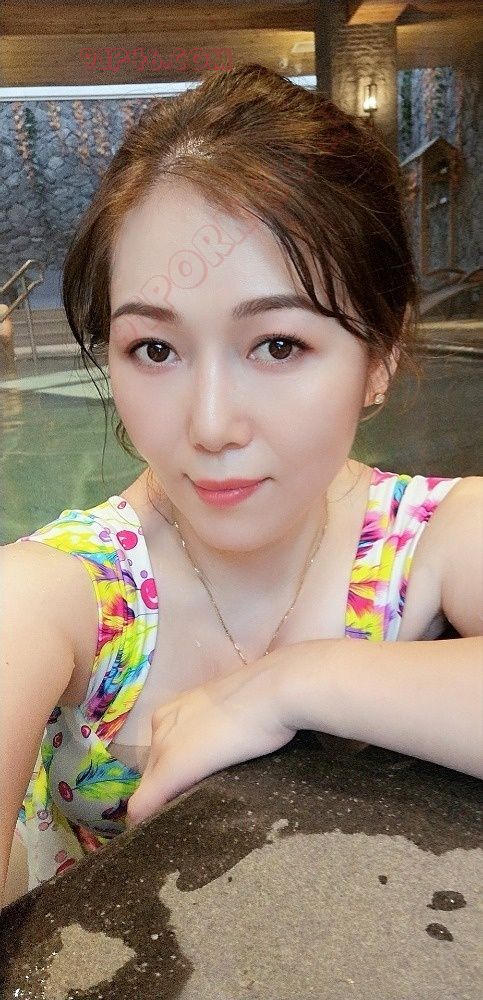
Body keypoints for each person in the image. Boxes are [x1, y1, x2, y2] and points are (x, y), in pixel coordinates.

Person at [1, 63, 481, 910]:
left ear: (381, 355)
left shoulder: (435, 539)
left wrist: (296, 682)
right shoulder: (59, 595)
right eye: (154, 350)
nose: (211, 424)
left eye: (277, 345)